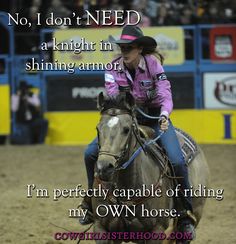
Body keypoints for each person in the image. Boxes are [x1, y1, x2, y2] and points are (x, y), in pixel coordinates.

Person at [80, 25, 196, 238]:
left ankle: (184, 213)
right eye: (122, 46)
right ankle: (90, 202)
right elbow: (113, 95)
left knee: (177, 160)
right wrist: (122, 112)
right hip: (125, 119)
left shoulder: (154, 65)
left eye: (129, 47)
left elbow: (164, 94)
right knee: (90, 154)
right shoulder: (112, 67)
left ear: (140, 48)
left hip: (153, 118)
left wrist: (164, 114)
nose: (124, 50)